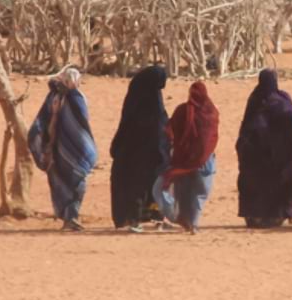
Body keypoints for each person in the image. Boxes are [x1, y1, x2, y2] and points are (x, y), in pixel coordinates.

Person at [236, 69, 292, 229]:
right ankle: (281, 213)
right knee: (278, 179)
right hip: (276, 153)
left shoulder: (255, 98)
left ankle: (255, 215)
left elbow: (248, 126)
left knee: (256, 180)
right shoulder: (282, 100)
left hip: (259, 152)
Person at [27, 66, 97, 232]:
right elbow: (82, 125)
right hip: (68, 150)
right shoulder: (76, 98)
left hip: (57, 150)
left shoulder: (53, 97)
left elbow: (42, 123)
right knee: (76, 183)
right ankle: (70, 217)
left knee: (63, 182)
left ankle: (69, 218)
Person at [109, 65, 169, 232]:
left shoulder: (140, 97)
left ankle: (152, 217)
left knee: (148, 184)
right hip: (142, 153)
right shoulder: (151, 101)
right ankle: (135, 218)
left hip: (141, 152)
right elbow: (157, 127)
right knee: (140, 184)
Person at [160, 81, 220, 233]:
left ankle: (186, 220)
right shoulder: (211, 112)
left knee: (183, 191)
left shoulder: (182, 110)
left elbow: (169, 130)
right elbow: (212, 136)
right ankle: (193, 223)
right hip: (204, 159)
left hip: (183, 158)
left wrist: (177, 147)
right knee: (200, 192)